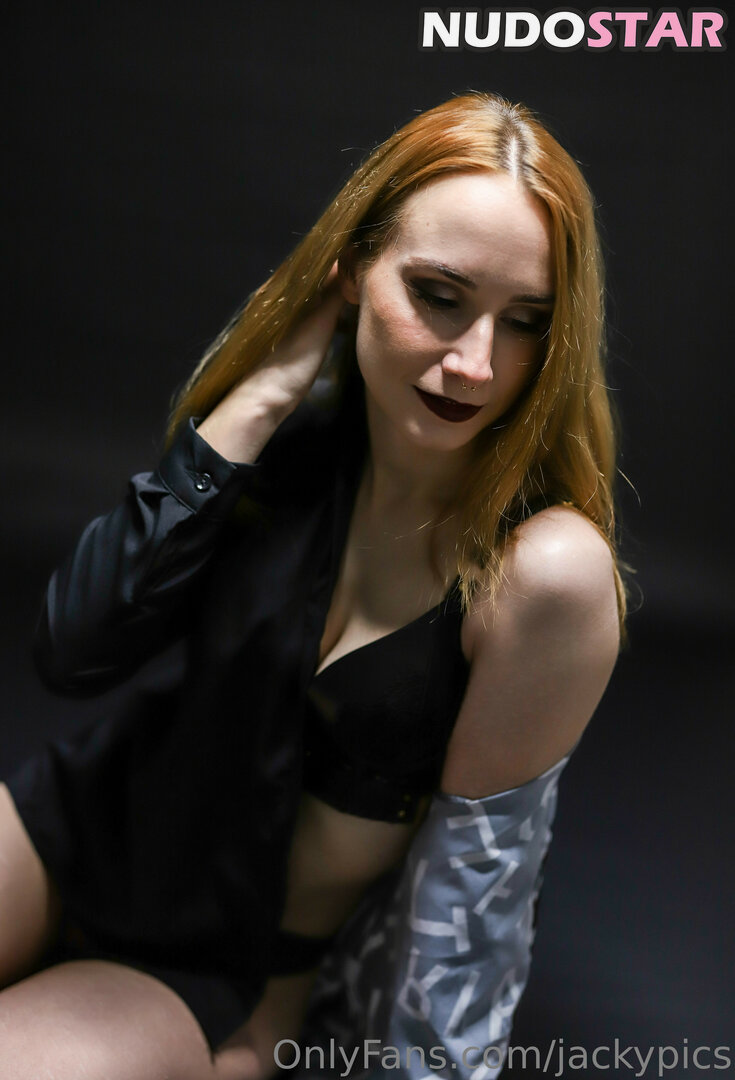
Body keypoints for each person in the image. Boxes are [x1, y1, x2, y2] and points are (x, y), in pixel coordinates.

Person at [0, 92, 624, 1078]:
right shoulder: (290, 450)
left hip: (221, 972)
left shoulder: (544, 574)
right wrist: (257, 397)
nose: (474, 364)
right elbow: (73, 652)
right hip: (73, 832)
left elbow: (474, 911)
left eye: (525, 323)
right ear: (352, 270)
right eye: (440, 295)